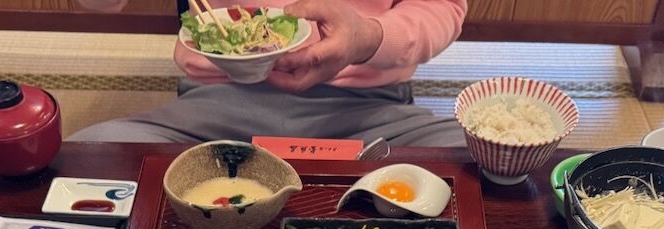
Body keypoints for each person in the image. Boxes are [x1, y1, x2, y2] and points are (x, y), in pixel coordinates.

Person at [71, 0, 467, 146]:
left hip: (372, 115)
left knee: (482, 167)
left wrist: (369, 37)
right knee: (87, 158)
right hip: (212, 111)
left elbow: (443, 7)